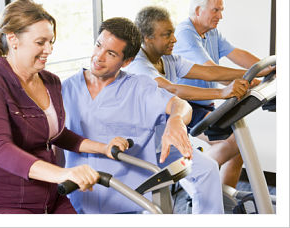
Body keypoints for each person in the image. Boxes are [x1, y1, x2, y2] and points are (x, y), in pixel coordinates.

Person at [0, 0, 129, 214]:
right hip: (4, 202)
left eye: (51, 41)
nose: (49, 49)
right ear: (13, 39)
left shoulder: (50, 81)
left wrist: (103, 148)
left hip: (49, 196)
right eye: (40, 42)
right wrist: (63, 173)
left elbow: (56, 134)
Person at [62, 17, 224, 214]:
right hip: (78, 194)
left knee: (207, 168)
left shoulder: (138, 87)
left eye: (111, 53)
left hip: (127, 197)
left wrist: (176, 120)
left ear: (127, 61)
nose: (98, 57)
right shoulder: (66, 88)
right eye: (98, 46)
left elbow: (180, 105)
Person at [173, 0, 275, 188]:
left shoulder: (211, 33)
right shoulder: (185, 32)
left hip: (206, 104)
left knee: (238, 150)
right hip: (185, 106)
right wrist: (254, 81)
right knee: (235, 144)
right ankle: (186, 176)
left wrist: (269, 68)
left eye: (221, 10)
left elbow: (238, 54)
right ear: (198, 10)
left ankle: (220, 201)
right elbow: (212, 71)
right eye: (215, 10)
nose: (220, 16)